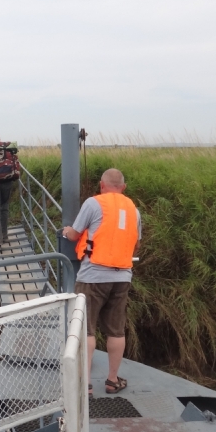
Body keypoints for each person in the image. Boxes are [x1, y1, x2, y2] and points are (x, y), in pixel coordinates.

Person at [61, 168, 141, 396]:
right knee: (116, 331)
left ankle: (84, 384)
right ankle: (112, 380)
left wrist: (67, 232)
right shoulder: (134, 210)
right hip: (122, 277)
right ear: (123, 188)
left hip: (92, 277)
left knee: (85, 329)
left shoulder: (93, 203)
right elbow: (136, 244)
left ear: (101, 185)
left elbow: (75, 235)